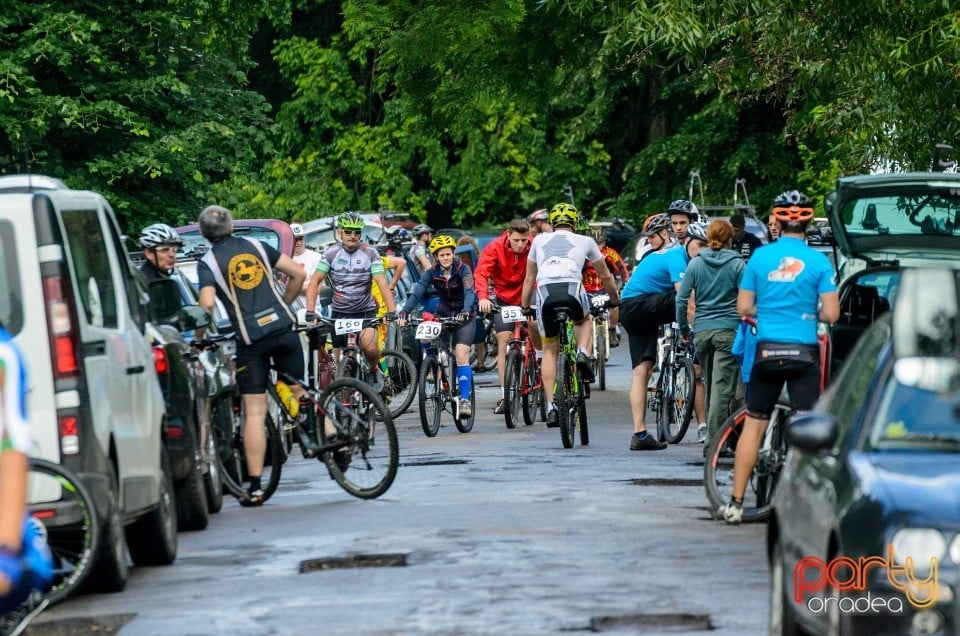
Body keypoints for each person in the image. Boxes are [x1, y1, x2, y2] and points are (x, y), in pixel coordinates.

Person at [721, 191, 839, 524]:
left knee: (754, 427)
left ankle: (735, 503)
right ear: (806, 223)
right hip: (803, 353)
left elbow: (743, 308)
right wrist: (805, 310)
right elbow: (831, 314)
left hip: (767, 351)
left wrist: (769, 311)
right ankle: (806, 510)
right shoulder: (818, 261)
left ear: (777, 220)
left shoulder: (759, 258)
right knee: (807, 431)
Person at [195, 205, 307, 507]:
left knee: (254, 412)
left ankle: (256, 487)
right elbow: (298, 273)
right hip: (284, 328)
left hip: (251, 340)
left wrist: (198, 339)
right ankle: (328, 439)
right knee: (302, 391)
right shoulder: (258, 245)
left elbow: (206, 305)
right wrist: (284, 304)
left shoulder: (208, 262)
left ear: (205, 234)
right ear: (231, 227)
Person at [520, 203, 619, 428]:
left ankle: (551, 406)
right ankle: (583, 353)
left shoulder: (538, 240)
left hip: (545, 293)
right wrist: (614, 300)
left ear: (553, 224)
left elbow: (529, 278)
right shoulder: (586, 241)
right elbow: (606, 277)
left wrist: (526, 307)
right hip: (572, 290)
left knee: (549, 350)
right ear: (575, 224)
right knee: (585, 320)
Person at [619, 215, 706, 451]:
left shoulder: (675, 255)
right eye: (700, 244)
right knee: (686, 296)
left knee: (642, 370)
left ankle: (639, 434)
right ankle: (682, 340)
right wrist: (698, 330)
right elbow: (685, 301)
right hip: (639, 305)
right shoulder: (677, 257)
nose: (702, 251)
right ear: (687, 242)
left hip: (630, 309)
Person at [305, 212, 396, 392]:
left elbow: (381, 282)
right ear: (340, 233)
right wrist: (310, 311)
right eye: (348, 231)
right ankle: (346, 407)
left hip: (365, 312)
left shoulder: (370, 253)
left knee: (370, 347)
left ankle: (373, 370)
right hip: (340, 314)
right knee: (344, 358)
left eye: (356, 232)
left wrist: (391, 311)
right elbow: (314, 282)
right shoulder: (331, 253)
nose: (352, 236)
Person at [676, 219, 744, 448]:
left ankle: (716, 439)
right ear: (730, 238)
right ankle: (715, 445)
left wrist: (684, 328)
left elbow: (681, 299)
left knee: (710, 385)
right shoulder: (737, 264)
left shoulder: (696, 263)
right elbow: (747, 298)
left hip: (702, 333)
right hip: (728, 331)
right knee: (723, 389)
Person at [398, 235, 478, 419]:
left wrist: (466, 310)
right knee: (425, 335)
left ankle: (464, 399)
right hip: (443, 313)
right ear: (436, 257)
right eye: (442, 255)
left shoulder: (463, 268)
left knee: (460, 354)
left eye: (448, 254)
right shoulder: (432, 272)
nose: (446, 258)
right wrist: (405, 311)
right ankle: (432, 366)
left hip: (464, 315)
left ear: (453, 253)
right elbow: (417, 292)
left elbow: (469, 292)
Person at [474, 219, 539, 414]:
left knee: (535, 325)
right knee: (503, 341)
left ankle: (541, 364)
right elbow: (481, 273)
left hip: (529, 294)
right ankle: (506, 395)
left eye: (524, 241)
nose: (520, 245)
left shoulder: (535, 245)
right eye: (516, 240)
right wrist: (483, 297)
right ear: (508, 235)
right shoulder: (494, 247)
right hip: (504, 298)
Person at [583, 226, 629, 347]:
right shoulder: (581, 254)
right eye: (594, 243)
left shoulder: (610, 253)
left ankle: (612, 330)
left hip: (605, 289)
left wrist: (625, 283)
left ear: (604, 242)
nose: (598, 246)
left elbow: (622, 268)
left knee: (615, 305)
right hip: (587, 290)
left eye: (600, 243)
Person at [290, 223, 323, 310]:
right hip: (288, 312)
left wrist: (289, 288)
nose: (298, 242)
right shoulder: (283, 258)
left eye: (300, 238)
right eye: (294, 239)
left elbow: (317, 289)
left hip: (311, 310)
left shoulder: (317, 257)